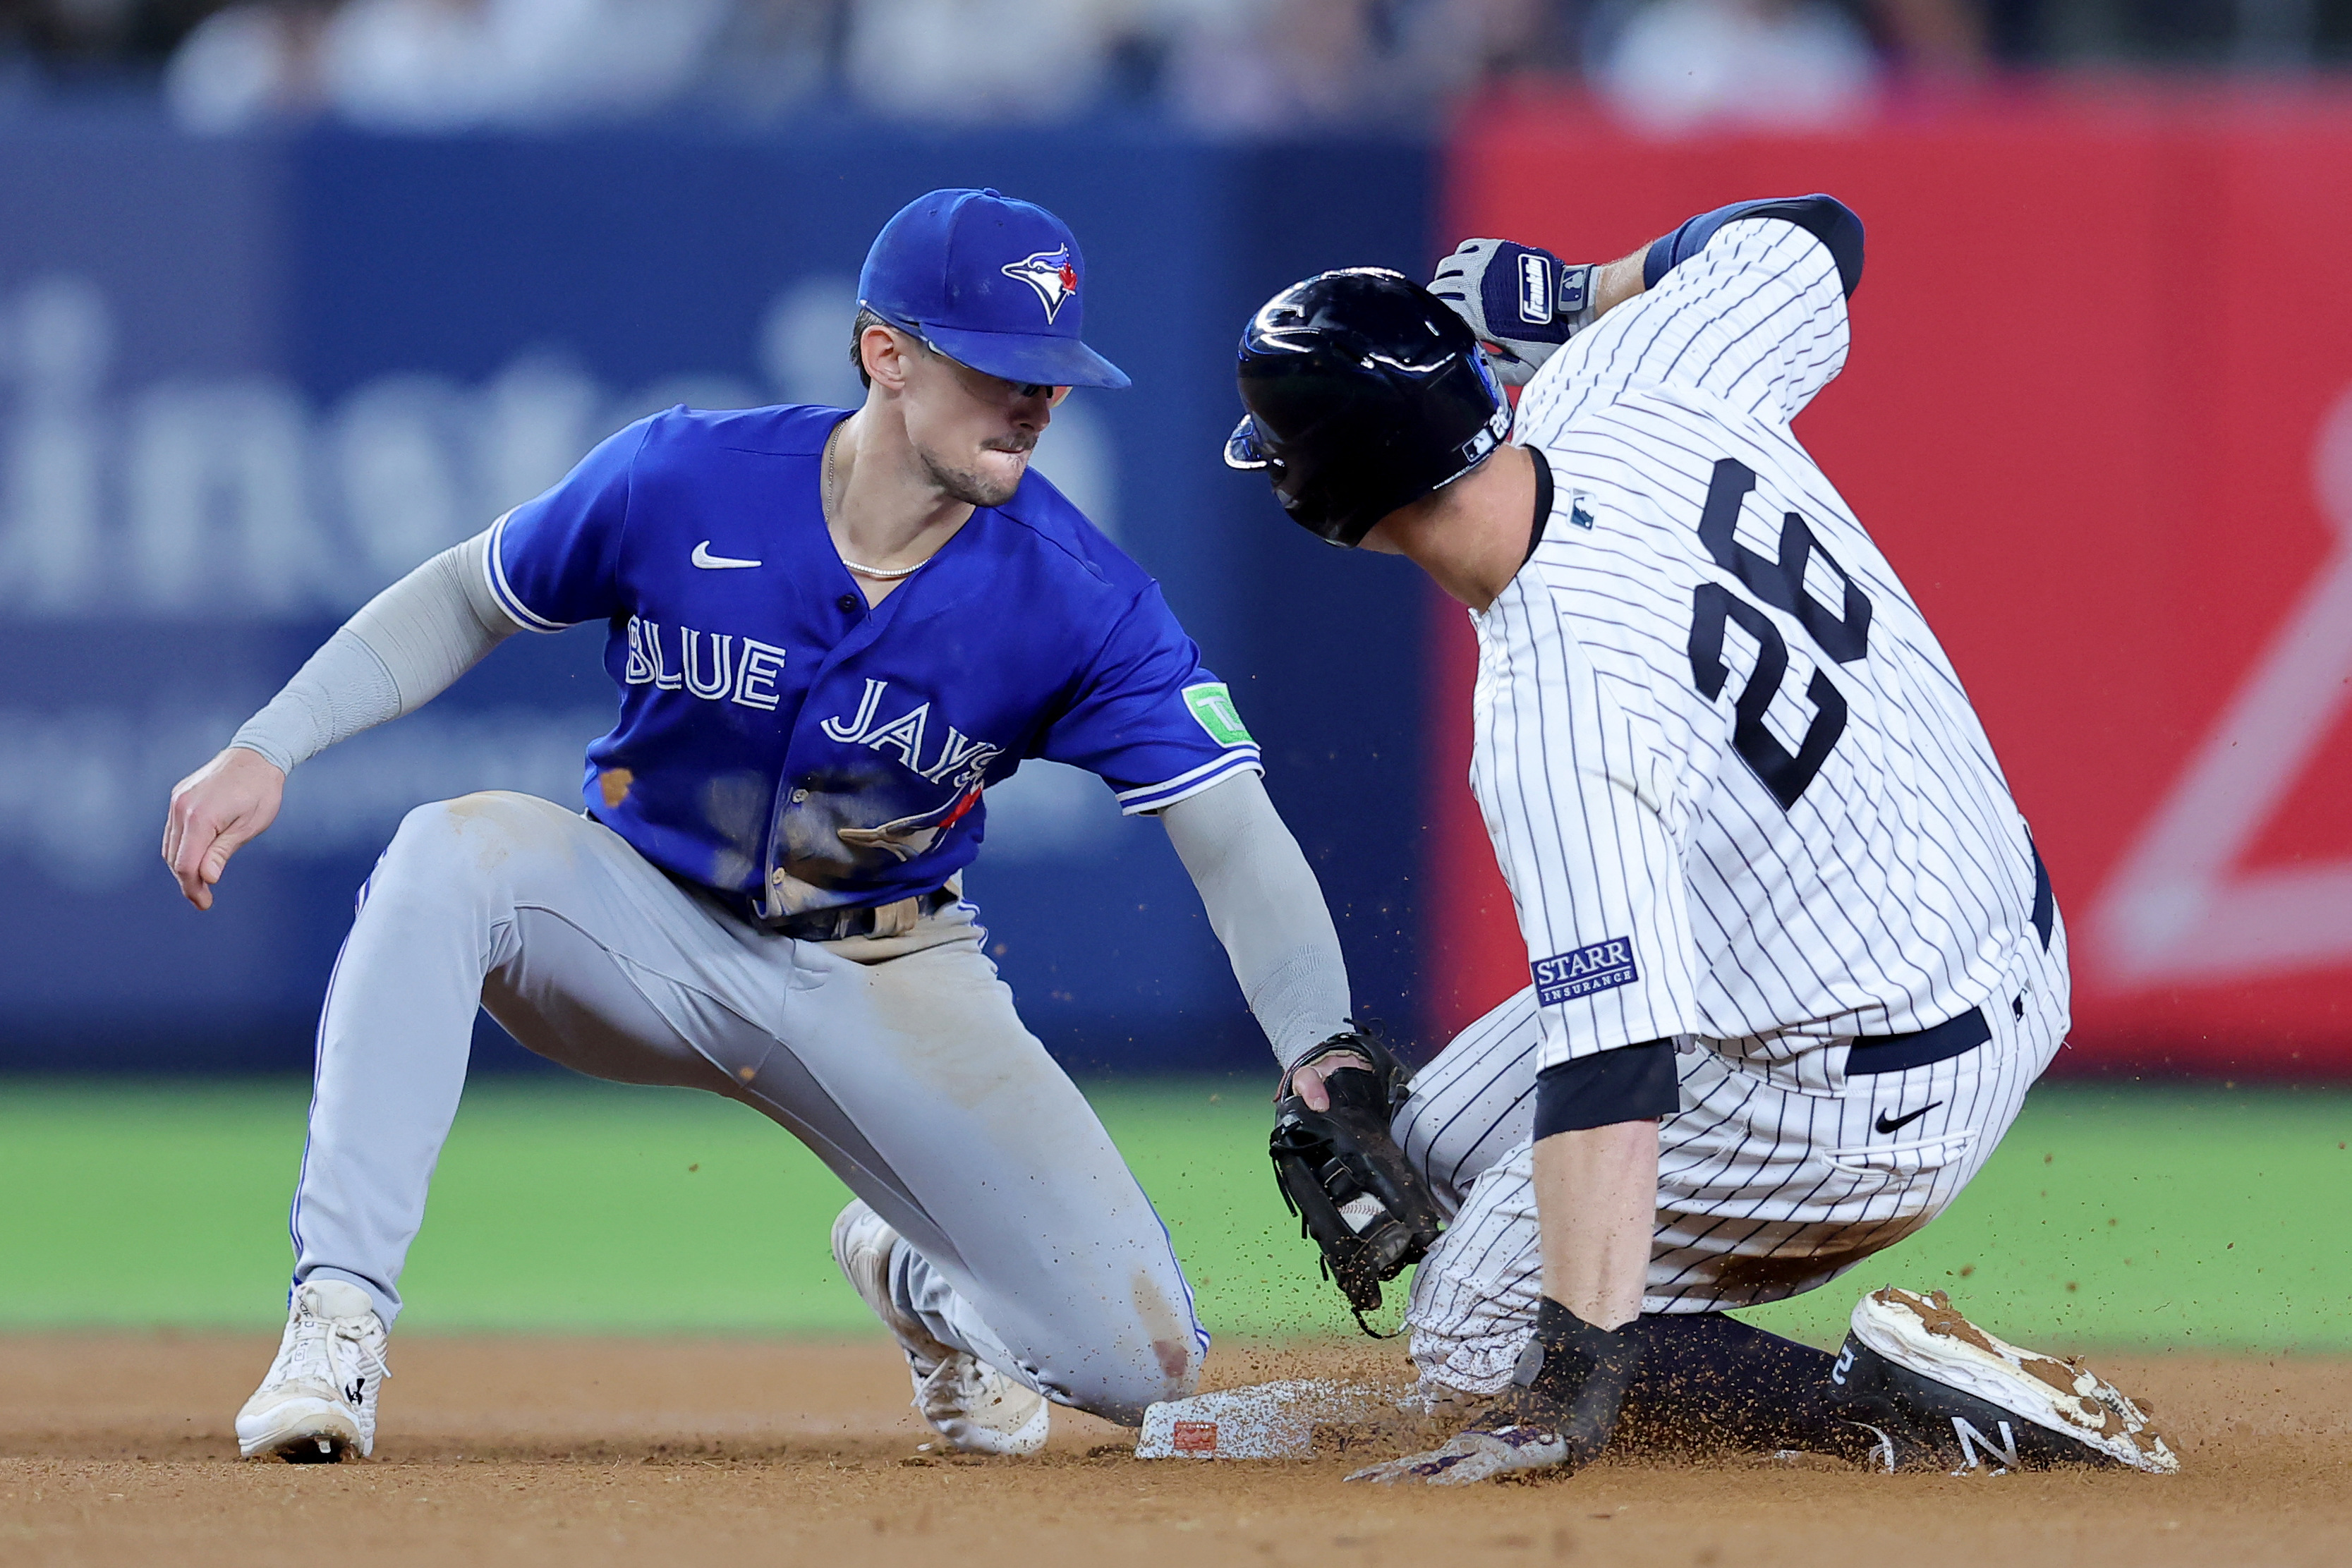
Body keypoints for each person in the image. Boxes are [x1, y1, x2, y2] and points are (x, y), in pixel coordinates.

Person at [165, 187, 1372, 1464]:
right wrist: (272, 741)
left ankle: (915, 1278)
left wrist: (1319, 1048)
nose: (1033, 402)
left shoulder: (1081, 597)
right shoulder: (685, 475)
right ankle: (336, 1322)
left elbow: (1228, 829)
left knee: (1145, 1367)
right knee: (445, 852)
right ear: (885, 353)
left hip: (889, 968)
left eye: (1054, 375)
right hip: (637, 929)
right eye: (999, 366)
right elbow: (472, 594)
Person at [1224, 197, 2177, 1483]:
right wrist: (1575, 294)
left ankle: (1905, 1413)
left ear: (1324, 501)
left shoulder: (1557, 703)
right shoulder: (1634, 376)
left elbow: (1611, 1069)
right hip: (1987, 936)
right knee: (1439, 1145)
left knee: (1471, 1335)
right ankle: (1660, 1341)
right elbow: (1819, 235)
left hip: (1859, 1095)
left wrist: (1564, 1394)